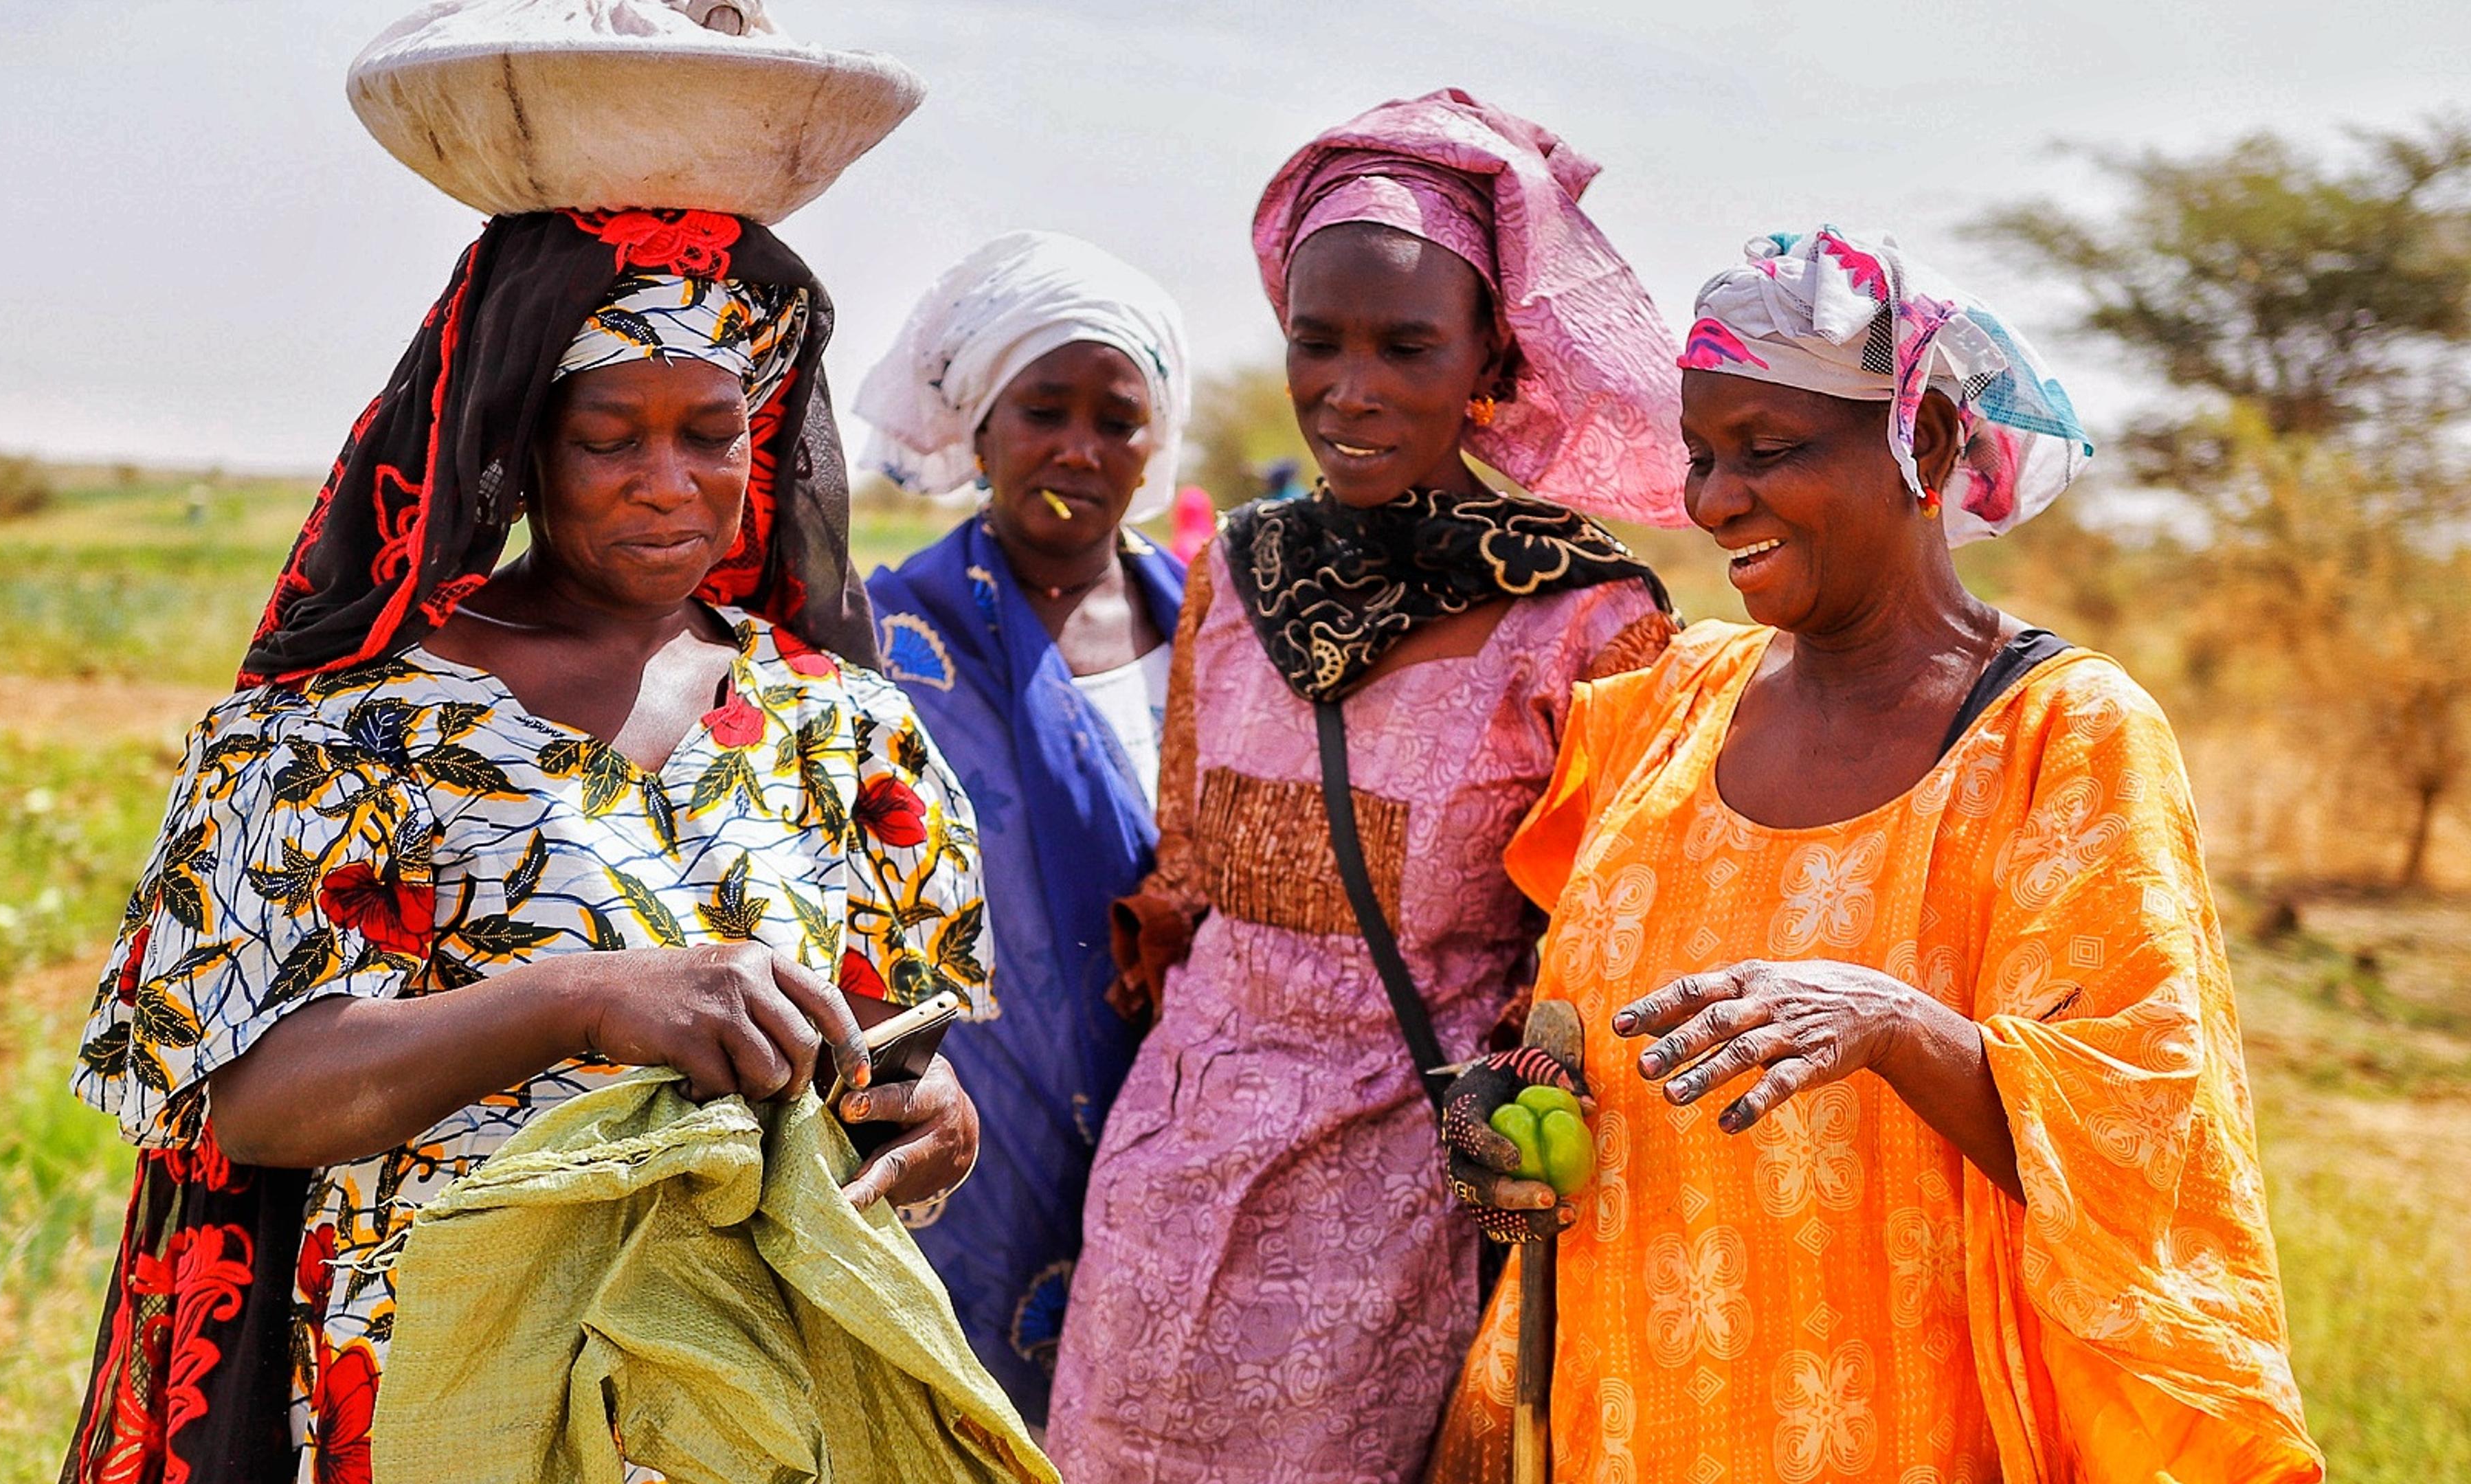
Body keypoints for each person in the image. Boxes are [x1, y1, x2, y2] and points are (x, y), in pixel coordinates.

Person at [59, 207, 993, 1483]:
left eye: (712, 436)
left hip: (758, 1396)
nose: (670, 483)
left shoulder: (845, 726)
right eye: (610, 439)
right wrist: (585, 999)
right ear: (514, 451)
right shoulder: (348, 730)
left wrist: (922, 1116)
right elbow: (253, 1101)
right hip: (436, 1382)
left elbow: (881, 1031)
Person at [1433, 227, 2324, 1483]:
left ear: (1934, 442)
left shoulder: (2057, 733)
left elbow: (2147, 1146)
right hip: (1631, 1415)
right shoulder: (1671, 707)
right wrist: (1518, 1107)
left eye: (1771, 449)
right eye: (1700, 456)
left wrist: (1895, 1024)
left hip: (1911, 1426)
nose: (1715, 499)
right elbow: (1573, 1029)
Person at [1046, 89, 1691, 1483]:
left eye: (1408, 346)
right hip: (1176, 1163)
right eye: (1316, 341)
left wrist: (1536, 1112)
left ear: (1489, 365)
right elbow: (1189, 875)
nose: (1352, 386)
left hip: (1406, 1185)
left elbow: (1612, 937)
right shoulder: (1236, 571)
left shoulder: (1584, 622)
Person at [854, 229, 1194, 1426]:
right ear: (981, 428)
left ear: (1156, 447)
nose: (1079, 448)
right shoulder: (882, 646)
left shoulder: (1231, 637)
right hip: (970, 1139)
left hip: (1192, 1134)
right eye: (1044, 409)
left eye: (1118, 418)